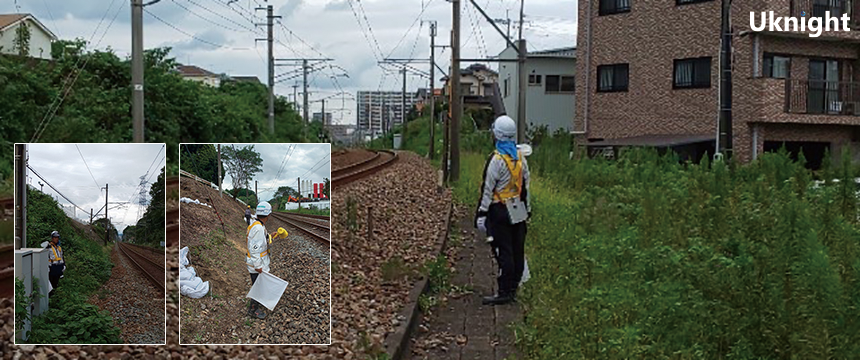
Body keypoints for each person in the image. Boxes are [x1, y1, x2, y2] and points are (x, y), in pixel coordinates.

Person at [474, 115, 530, 305]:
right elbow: (526, 186)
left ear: (497, 135)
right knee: (517, 249)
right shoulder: (521, 157)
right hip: (518, 209)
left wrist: (481, 214)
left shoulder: (496, 159)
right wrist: (528, 210)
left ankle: (504, 291)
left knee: (503, 250)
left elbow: (488, 189)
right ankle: (513, 287)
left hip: (499, 211)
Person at [245, 201, 278, 319]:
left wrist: (270, 236)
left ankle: (257, 304)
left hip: (257, 262)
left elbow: (259, 241)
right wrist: (258, 266)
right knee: (257, 286)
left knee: (259, 285)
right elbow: (254, 249)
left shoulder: (257, 224)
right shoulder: (258, 228)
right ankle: (253, 310)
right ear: (268, 215)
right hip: (256, 264)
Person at [46, 230, 66, 297]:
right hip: (52, 267)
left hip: (58, 267)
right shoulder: (49, 247)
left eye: (57, 237)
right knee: (51, 283)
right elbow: (45, 257)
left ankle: (55, 297)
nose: (56, 239)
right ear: (52, 238)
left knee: (56, 283)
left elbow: (61, 257)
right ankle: (50, 297)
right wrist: (47, 266)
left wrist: (64, 265)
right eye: (55, 237)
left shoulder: (59, 247)